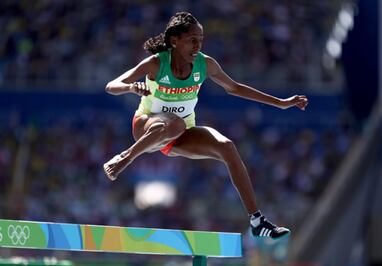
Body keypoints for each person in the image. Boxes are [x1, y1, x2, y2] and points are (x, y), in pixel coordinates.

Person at [104, 12, 308, 239]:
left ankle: (257, 221)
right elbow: (112, 85)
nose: (197, 45)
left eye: (201, 39)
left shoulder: (206, 64)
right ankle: (125, 157)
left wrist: (280, 103)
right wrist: (131, 88)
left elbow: (235, 88)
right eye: (192, 39)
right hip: (145, 128)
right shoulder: (156, 63)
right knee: (175, 123)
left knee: (226, 146)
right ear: (175, 41)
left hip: (178, 133)